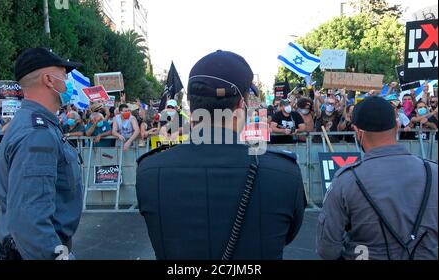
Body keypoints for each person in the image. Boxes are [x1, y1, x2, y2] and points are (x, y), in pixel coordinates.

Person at [136, 50, 306, 260]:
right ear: (240, 107)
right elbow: (286, 235)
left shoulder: (148, 171)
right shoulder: (285, 172)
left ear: (192, 106)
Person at [317, 96, 438, 260]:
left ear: (357, 132)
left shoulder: (346, 181)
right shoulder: (433, 172)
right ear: (397, 125)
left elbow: (328, 249)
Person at [0, 47, 83, 260]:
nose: (68, 81)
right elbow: (30, 218)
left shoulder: (35, 124)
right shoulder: (37, 133)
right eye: (64, 74)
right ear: (49, 80)